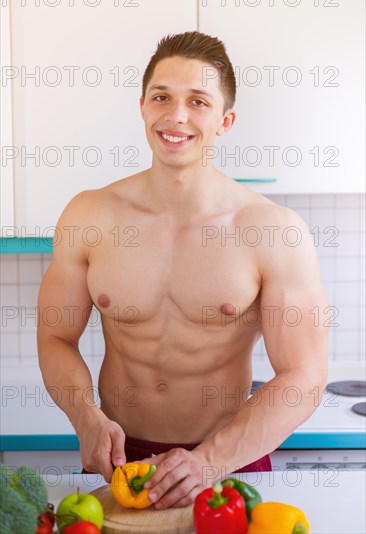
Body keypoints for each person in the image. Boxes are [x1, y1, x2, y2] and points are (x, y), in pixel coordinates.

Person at [37, 31, 328, 509]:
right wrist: (85, 418)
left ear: (225, 120)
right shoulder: (88, 216)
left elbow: (304, 376)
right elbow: (55, 337)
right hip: (119, 462)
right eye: (162, 97)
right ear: (143, 106)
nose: (176, 115)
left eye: (198, 101)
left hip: (227, 465)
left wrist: (208, 462)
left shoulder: (272, 230)